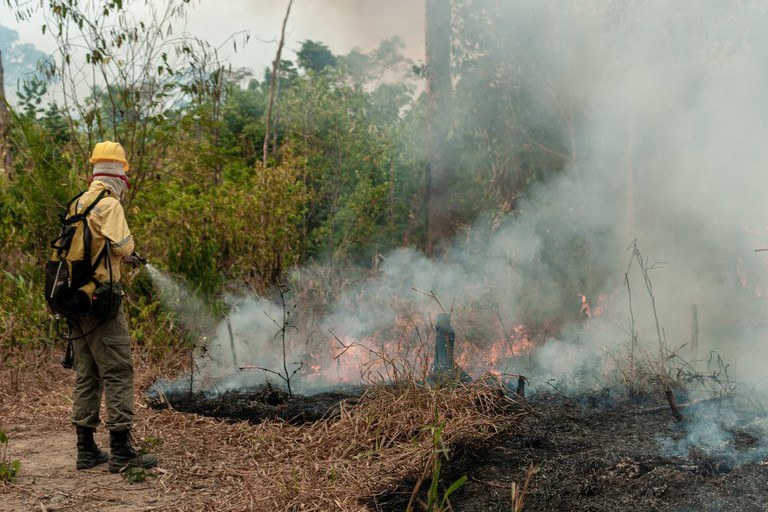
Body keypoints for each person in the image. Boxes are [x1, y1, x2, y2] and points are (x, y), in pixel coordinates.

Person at [70, 141, 157, 473]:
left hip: (74, 301)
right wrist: (127, 251)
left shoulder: (79, 202)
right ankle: (121, 452)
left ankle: (86, 450)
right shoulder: (108, 204)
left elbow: (92, 247)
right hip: (101, 301)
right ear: (119, 172)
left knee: (87, 373)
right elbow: (124, 243)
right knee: (118, 371)